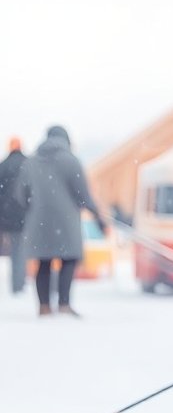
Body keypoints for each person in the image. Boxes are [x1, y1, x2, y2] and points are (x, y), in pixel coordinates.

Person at [20, 126, 106, 316]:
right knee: (69, 259)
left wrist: (34, 209)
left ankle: (44, 306)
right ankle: (64, 304)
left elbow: (21, 195)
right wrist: (97, 215)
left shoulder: (30, 162)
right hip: (66, 220)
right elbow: (82, 194)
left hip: (39, 220)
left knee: (43, 262)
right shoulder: (71, 161)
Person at [0, 137, 29, 294]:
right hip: (24, 214)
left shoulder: (3, 165)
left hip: (6, 216)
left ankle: (16, 284)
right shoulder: (27, 164)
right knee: (20, 249)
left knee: (13, 250)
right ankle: (19, 284)